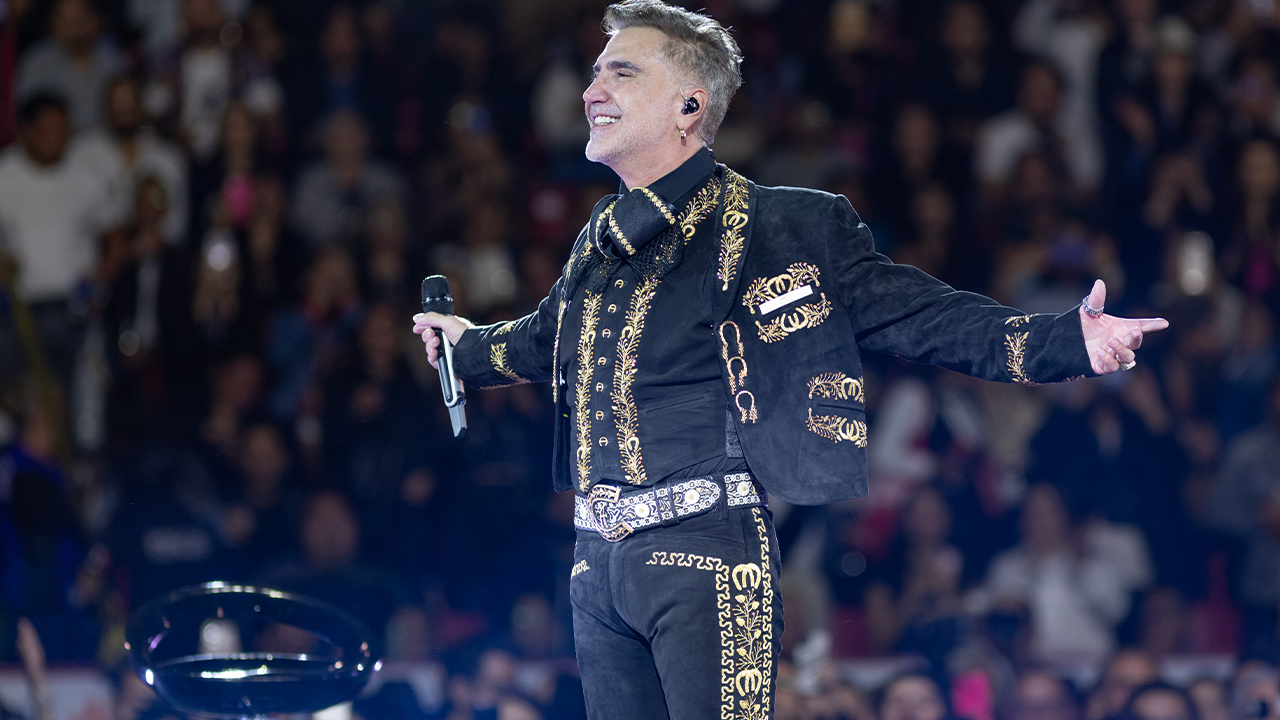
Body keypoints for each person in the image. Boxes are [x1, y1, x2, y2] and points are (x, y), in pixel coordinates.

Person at [412, 1, 1167, 717]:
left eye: (620, 72)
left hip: (708, 549)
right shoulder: (599, 239)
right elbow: (549, 339)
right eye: (595, 72)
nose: (590, 91)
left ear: (689, 105)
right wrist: (462, 346)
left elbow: (922, 312)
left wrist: (1066, 341)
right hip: (595, 565)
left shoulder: (787, 226)